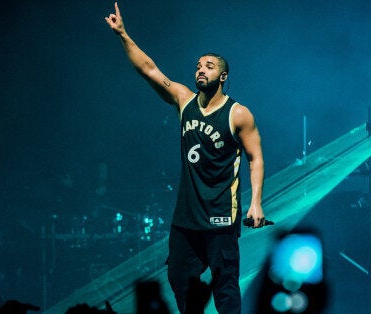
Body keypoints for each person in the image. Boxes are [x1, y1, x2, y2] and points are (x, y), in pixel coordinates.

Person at [104, 3, 266, 313]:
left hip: (220, 216)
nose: (201, 70)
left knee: (225, 287)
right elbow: (149, 69)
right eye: (198, 66)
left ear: (223, 75)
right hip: (186, 218)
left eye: (208, 66)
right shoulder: (184, 101)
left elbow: (255, 158)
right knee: (180, 278)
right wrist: (123, 34)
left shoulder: (238, 114)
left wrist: (255, 202)